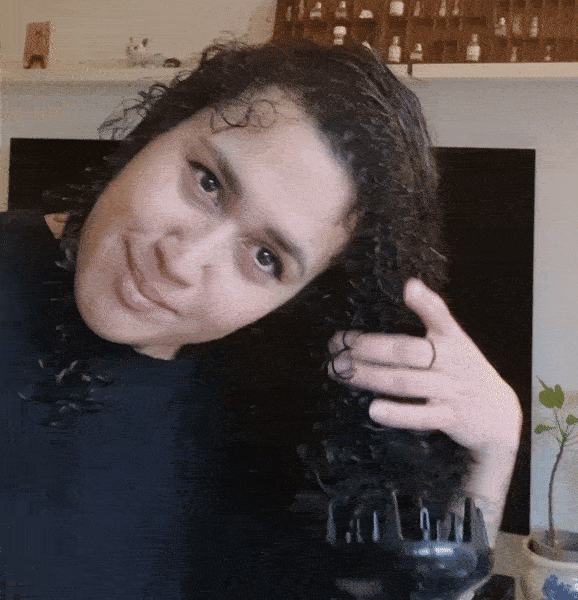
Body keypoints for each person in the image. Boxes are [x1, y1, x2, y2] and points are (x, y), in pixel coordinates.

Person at [1, 39, 522, 597]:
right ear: (159, 129)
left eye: (266, 258)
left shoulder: (289, 417)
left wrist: (493, 456)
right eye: (207, 181)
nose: (183, 261)